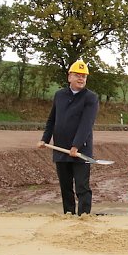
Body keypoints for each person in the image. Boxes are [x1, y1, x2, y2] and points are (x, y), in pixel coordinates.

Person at [38, 60, 99, 215]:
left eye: (84, 76)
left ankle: (84, 216)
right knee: (65, 187)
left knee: (82, 186)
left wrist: (76, 145)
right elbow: (52, 119)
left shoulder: (91, 98)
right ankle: (68, 216)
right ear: (69, 77)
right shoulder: (59, 95)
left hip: (80, 150)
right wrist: (45, 139)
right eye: (77, 75)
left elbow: (86, 124)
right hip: (60, 149)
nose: (81, 78)